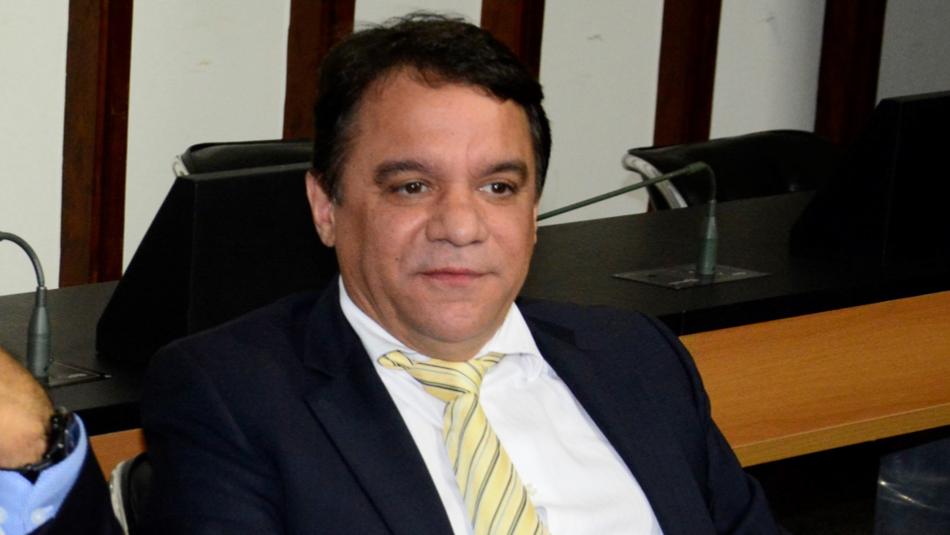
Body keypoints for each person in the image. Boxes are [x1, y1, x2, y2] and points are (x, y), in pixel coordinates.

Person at [0, 13, 778, 534]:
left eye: (498, 186)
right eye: (412, 186)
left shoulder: (637, 358)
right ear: (326, 207)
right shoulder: (234, 395)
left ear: (534, 209)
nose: (461, 225)